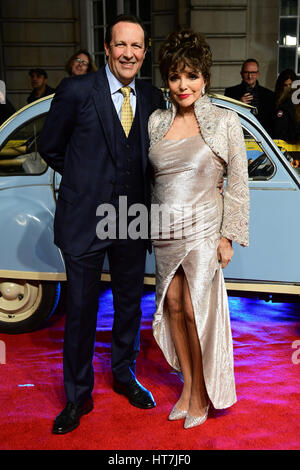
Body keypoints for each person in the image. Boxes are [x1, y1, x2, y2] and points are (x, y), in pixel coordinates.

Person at [38, 15, 165, 435]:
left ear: (144, 53)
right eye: (121, 45)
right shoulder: (76, 91)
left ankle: (125, 375)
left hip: (132, 217)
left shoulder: (151, 96)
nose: (129, 53)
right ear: (107, 49)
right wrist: (85, 182)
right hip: (84, 219)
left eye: (137, 46)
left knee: (130, 303)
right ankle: (77, 395)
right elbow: (51, 147)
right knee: (80, 308)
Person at [148, 30, 250, 429]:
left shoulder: (225, 120)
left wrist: (228, 235)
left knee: (194, 312)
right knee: (172, 308)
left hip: (205, 228)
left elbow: (239, 181)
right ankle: (188, 387)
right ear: (167, 81)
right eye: (175, 77)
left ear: (204, 77)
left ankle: (203, 394)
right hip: (164, 230)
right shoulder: (157, 121)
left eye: (191, 76)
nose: (183, 85)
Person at [224, 58, 274, 135]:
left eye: (253, 72)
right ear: (241, 74)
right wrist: (238, 104)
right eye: (246, 72)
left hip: (263, 136)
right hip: (238, 134)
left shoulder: (269, 94)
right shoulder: (230, 92)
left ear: (258, 74)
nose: (250, 76)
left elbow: (271, 120)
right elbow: (225, 117)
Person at [272, 69, 300, 142]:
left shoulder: (297, 105)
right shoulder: (274, 102)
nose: (288, 88)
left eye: (290, 85)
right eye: (285, 85)